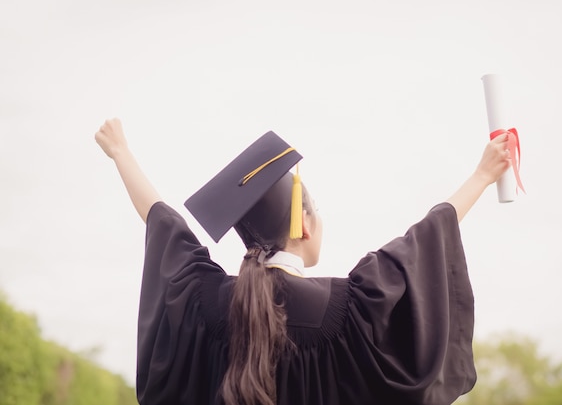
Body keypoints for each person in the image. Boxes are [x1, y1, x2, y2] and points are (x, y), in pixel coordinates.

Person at [95, 118, 511, 405]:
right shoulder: (352, 308)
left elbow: (162, 222)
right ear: (304, 224)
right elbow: (425, 240)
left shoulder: (202, 301)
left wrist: (121, 154)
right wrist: (482, 175)